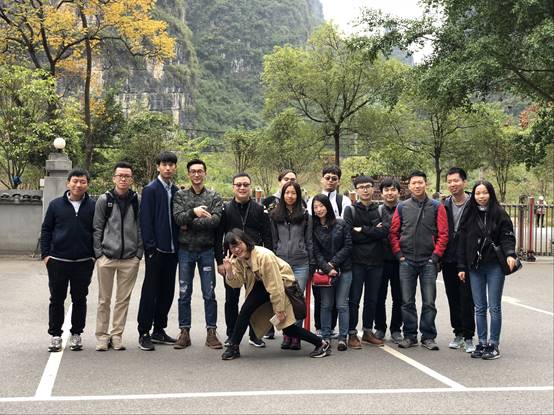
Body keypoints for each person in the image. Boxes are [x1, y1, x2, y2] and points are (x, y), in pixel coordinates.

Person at [220, 229, 330, 360]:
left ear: (246, 241)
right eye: (233, 247)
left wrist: (279, 310)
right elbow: (237, 284)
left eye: (239, 244)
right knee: (245, 310)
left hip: (282, 285)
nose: (237, 249)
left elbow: (275, 286)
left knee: (288, 328)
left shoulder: (264, 256)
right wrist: (229, 271)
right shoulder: (238, 260)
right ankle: (234, 346)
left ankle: (321, 344)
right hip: (262, 284)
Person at [389, 170, 448, 351]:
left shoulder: (437, 206)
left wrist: (435, 257)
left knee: (429, 302)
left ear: (425, 184)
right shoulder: (402, 207)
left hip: (428, 261)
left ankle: (428, 336)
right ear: (409, 185)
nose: (417, 186)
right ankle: (410, 335)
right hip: (406, 261)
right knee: (407, 302)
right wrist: (399, 255)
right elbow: (393, 233)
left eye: (420, 182)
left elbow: (443, 234)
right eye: (414, 183)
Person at [457, 180, 517, 360]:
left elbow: (507, 236)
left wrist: (510, 254)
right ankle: (482, 342)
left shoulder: (499, 213)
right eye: (477, 193)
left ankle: (493, 344)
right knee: (480, 307)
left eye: (484, 192)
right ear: (473, 195)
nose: (481, 196)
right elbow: (462, 241)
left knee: (494, 307)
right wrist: (462, 266)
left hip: (495, 266)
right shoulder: (469, 213)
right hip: (475, 267)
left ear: (491, 194)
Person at [40, 168, 96, 352]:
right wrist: (46, 255)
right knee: (57, 299)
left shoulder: (93, 206)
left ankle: (76, 334)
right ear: (68, 183)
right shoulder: (56, 205)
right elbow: (46, 229)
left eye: (82, 182)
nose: (78, 185)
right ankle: (55, 335)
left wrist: (93, 256)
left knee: (80, 299)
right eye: (75, 181)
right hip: (58, 260)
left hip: (83, 261)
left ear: (87, 184)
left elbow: (97, 231)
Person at [215, 173, 272, 348]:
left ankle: (255, 335)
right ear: (233, 187)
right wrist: (219, 261)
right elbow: (218, 237)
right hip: (232, 260)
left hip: (255, 261)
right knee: (231, 299)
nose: (242, 188)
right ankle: (231, 334)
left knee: (254, 301)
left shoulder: (259, 209)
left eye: (245, 184)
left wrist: (269, 259)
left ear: (250, 187)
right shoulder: (226, 209)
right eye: (238, 185)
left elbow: (268, 236)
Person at [172, 159, 224, 350]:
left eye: (200, 171)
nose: (196, 174)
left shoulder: (214, 196)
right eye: (193, 171)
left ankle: (211, 332)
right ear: (188, 174)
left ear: (205, 173)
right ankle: (184, 331)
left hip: (206, 250)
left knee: (209, 293)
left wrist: (189, 222)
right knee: (184, 293)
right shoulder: (180, 195)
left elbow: (215, 222)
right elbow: (178, 219)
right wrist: (194, 212)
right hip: (185, 250)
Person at [93, 161, 143, 351]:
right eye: (120, 175)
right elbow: (97, 227)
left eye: (127, 176)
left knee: (123, 300)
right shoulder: (104, 200)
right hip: (107, 257)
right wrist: (99, 254)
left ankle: (116, 335)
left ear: (131, 179)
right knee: (103, 300)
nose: (123, 179)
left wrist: (138, 254)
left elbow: (141, 228)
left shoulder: (137, 200)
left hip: (130, 259)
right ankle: (101, 336)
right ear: (114, 178)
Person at [137, 151, 180, 351]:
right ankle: (144, 332)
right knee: (150, 291)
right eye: (164, 164)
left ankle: (159, 329)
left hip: (173, 250)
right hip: (156, 250)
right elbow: (145, 220)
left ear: (175, 167)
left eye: (171, 164)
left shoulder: (177, 191)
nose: (168, 168)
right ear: (158, 167)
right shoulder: (151, 189)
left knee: (167, 291)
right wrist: (150, 248)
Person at [344, 176, 388, 349]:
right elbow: (350, 235)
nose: (365, 189)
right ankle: (351, 333)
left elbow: (384, 232)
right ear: (356, 190)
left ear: (373, 188)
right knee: (354, 299)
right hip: (356, 262)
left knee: (372, 299)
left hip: (376, 262)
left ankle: (368, 331)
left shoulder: (380, 210)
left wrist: (362, 229)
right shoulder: (350, 210)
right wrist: (372, 232)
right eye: (361, 187)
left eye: (368, 186)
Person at [307, 165, 350, 336]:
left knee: (340, 302)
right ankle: (321, 328)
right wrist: (325, 265)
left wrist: (334, 263)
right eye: (327, 177)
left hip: (340, 260)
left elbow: (346, 235)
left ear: (338, 181)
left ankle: (333, 329)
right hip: (321, 261)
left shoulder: (344, 201)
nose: (330, 181)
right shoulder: (312, 200)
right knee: (322, 298)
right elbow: (311, 233)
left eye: (334, 178)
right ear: (322, 179)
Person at [270, 181, 312, 350]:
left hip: (301, 262)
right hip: (281, 263)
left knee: (297, 300)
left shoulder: (305, 215)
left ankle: (297, 336)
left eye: (293, 193)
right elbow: (273, 240)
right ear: (282, 195)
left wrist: (311, 261)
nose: (290, 196)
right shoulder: (274, 215)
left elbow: (309, 240)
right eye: (287, 193)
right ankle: (287, 334)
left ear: (298, 195)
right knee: (283, 299)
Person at [311, 194, 352, 351]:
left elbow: (348, 246)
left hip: (344, 270)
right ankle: (325, 336)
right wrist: (328, 268)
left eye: (321, 206)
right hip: (325, 272)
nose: (319, 209)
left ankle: (343, 337)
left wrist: (333, 263)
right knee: (326, 304)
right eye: (315, 207)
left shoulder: (341, 223)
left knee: (342, 304)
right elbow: (316, 252)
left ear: (328, 206)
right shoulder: (314, 228)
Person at [442, 167, 475, 353]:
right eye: (449, 181)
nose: (453, 184)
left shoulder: (473, 203)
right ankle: (458, 333)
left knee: (467, 297)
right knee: (452, 297)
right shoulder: (445, 204)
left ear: (464, 182)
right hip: (449, 258)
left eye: (456, 180)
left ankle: (469, 336)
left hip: (468, 258)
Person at [373, 178, 403, 344]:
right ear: (382, 193)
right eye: (386, 190)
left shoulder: (404, 209)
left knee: (399, 297)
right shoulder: (377, 211)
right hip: (380, 259)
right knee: (379, 296)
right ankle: (380, 327)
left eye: (393, 190)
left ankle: (396, 329)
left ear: (399, 192)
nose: (390, 193)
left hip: (400, 260)